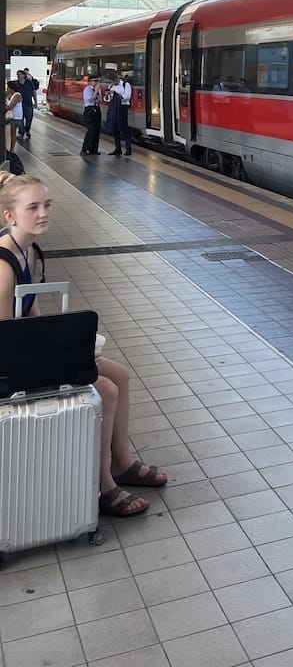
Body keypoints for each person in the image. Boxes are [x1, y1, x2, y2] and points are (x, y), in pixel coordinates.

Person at [0, 172, 167, 517]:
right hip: (8, 367)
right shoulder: (2, 264)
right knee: (105, 390)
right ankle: (104, 485)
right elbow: (6, 336)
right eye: (33, 207)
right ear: (10, 216)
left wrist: (69, 343)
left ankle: (121, 462)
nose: (44, 213)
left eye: (47, 205)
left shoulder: (27, 250)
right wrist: (58, 353)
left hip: (24, 352)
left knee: (118, 374)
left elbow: (32, 312)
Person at [107, 73, 133, 156]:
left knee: (123, 128)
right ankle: (118, 148)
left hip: (122, 108)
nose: (113, 83)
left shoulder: (126, 85)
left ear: (116, 78)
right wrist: (108, 95)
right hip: (113, 108)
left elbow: (127, 97)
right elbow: (108, 99)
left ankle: (128, 149)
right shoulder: (111, 86)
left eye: (113, 81)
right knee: (114, 128)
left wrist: (116, 94)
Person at [80, 77, 102, 155]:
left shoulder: (98, 90)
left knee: (96, 130)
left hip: (96, 109)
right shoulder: (87, 89)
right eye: (95, 81)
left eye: (97, 81)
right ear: (90, 82)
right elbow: (89, 99)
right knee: (90, 130)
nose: (96, 83)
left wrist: (97, 94)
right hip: (89, 110)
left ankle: (93, 149)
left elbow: (99, 100)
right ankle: (84, 149)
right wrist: (95, 92)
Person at [17, 70, 36, 139]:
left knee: (29, 119)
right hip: (19, 105)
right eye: (18, 75)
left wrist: (35, 102)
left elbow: (34, 92)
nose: (19, 76)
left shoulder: (29, 83)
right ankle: (21, 133)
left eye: (20, 74)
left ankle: (27, 130)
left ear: (24, 75)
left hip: (29, 104)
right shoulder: (16, 84)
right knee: (20, 120)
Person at [5, 81, 23, 155]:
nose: (7, 89)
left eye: (8, 87)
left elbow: (10, 107)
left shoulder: (17, 95)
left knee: (13, 133)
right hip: (10, 116)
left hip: (16, 117)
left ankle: (11, 150)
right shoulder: (9, 94)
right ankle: (10, 149)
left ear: (12, 88)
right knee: (12, 133)